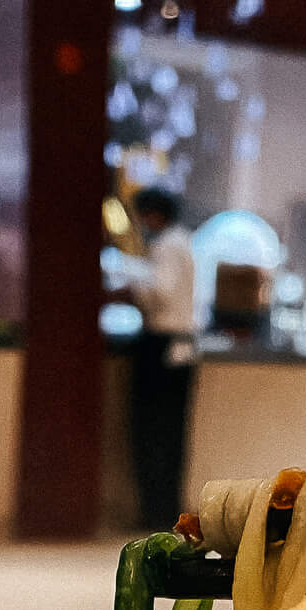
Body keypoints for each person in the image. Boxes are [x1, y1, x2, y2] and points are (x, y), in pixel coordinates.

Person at [126, 186, 197, 529]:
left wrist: (131, 289)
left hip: (163, 345)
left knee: (156, 431)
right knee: (171, 434)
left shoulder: (167, 246)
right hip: (180, 348)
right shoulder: (181, 242)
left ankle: (155, 511)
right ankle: (162, 509)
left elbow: (160, 293)